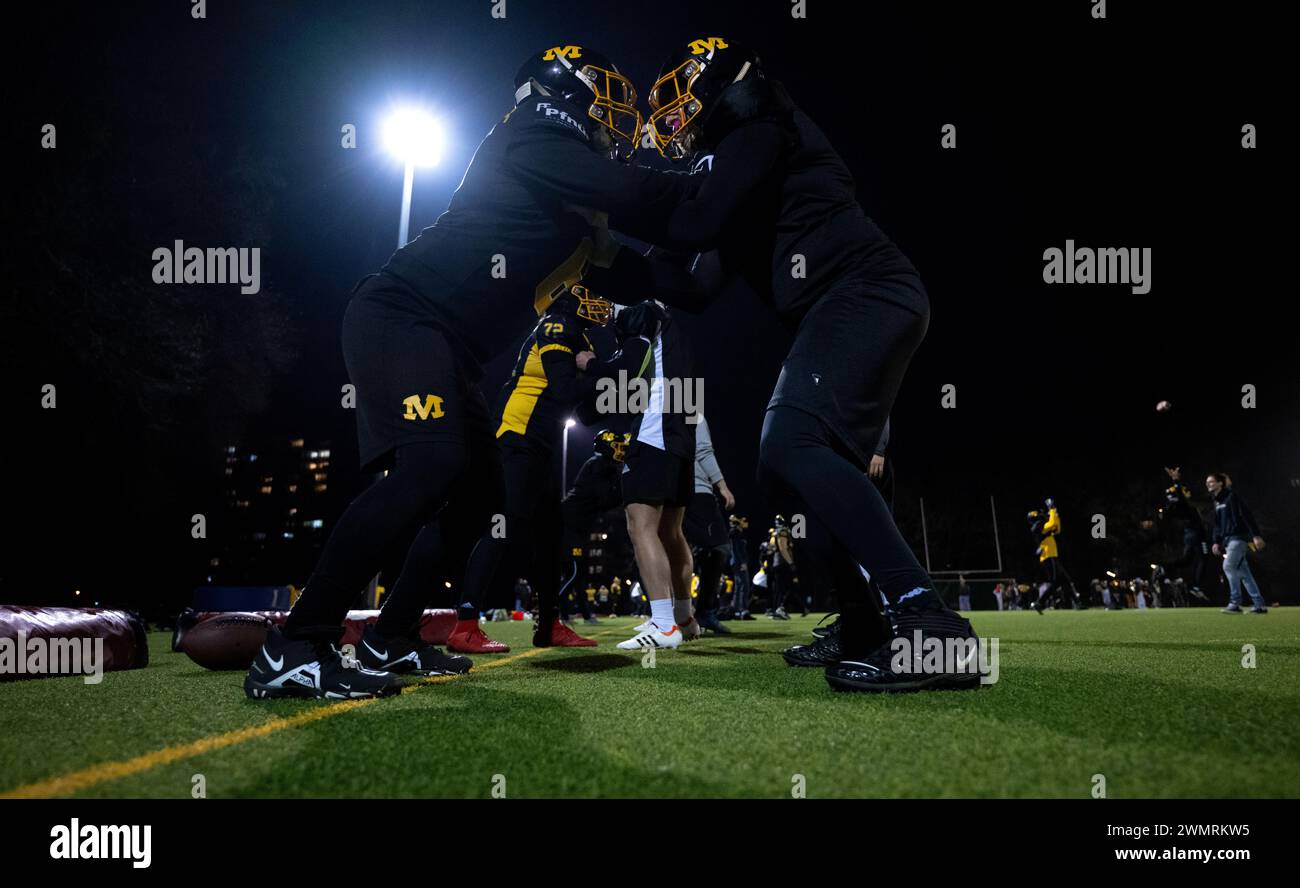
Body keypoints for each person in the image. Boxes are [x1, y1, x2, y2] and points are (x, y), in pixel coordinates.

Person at [244, 44, 696, 699]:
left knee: (482, 496)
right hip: (403, 316)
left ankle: (392, 638)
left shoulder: (574, 202)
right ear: (565, 89)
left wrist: (738, 244)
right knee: (429, 469)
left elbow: (669, 276)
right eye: (605, 92)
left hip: (448, 346)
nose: (616, 114)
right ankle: (295, 644)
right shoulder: (535, 132)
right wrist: (709, 186)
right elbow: (633, 191)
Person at [585, 38, 975, 691]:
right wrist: (602, 255)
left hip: (865, 292)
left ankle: (931, 627)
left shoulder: (766, 127)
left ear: (720, 88)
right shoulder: (743, 175)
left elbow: (695, 215)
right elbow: (694, 289)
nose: (675, 132)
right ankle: (862, 626)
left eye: (682, 113)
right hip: (849, 306)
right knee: (785, 472)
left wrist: (595, 190)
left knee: (790, 440)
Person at [449, 287, 614, 654]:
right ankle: (465, 623)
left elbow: (585, 412)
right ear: (568, 295)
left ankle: (549, 624)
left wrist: (618, 384)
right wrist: (603, 372)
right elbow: (566, 389)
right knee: (502, 526)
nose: (600, 300)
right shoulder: (558, 324)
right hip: (518, 437)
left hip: (541, 445)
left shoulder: (580, 335)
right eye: (591, 292)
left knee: (552, 535)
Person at [579, 301, 700, 650]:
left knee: (640, 524)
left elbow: (625, 372)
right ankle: (683, 618)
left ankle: (663, 626)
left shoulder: (646, 314)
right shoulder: (675, 332)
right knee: (671, 531)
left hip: (655, 430)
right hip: (681, 432)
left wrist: (592, 365)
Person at [557, 429, 627, 638]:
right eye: (617, 446)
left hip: (578, 526)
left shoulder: (606, 466)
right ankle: (553, 610)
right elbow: (605, 499)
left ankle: (585, 613)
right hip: (569, 523)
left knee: (580, 572)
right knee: (575, 571)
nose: (620, 451)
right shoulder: (597, 464)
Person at [682, 414, 736, 634]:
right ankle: (703, 612)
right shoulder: (692, 414)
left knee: (681, 549)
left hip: (672, 491)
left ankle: (672, 612)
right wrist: (722, 486)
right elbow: (703, 450)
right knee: (719, 547)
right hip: (697, 492)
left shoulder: (658, 414)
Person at [1207, 473, 1268, 614]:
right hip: (1228, 541)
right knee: (1244, 573)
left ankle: (1235, 603)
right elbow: (1216, 525)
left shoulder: (1232, 497)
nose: (1208, 484)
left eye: (1211, 481)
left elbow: (1246, 515)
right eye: (1207, 482)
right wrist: (1216, 542)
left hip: (1238, 538)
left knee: (1228, 566)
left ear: (1220, 484)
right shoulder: (1216, 501)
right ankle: (1259, 605)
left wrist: (1256, 536)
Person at [1161, 467, 1210, 601]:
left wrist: (1176, 485)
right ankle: (1196, 586)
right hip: (1197, 534)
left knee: (1186, 560)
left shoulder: (1174, 506)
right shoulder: (1181, 505)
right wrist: (1176, 481)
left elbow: (1181, 496)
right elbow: (1183, 497)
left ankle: (1165, 568)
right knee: (1203, 558)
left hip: (1189, 534)